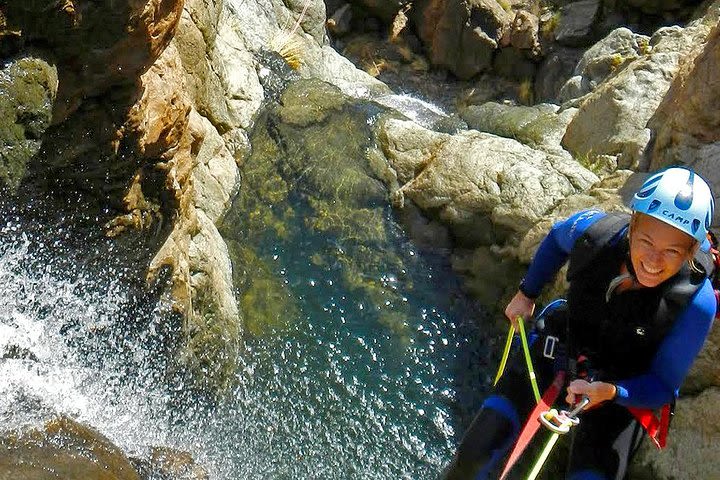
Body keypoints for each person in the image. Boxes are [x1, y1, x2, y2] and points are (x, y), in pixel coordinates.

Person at [441, 166, 717, 480]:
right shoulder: (597, 233)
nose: (654, 261)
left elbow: (663, 386)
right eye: (646, 243)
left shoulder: (697, 302)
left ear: (692, 250)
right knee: (472, 457)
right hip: (560, 344)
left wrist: (611, 392)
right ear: (632, 228)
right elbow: (558, 237)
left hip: (623, 384)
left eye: (672, 251)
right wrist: (526, 294)